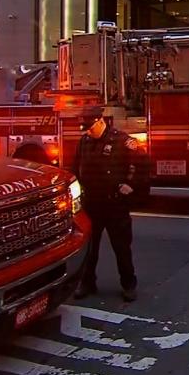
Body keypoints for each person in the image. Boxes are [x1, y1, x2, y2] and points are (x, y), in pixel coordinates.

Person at [72, 111, 148, 302]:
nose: (88, 132)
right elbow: (76, 168)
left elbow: (142, 163)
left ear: (100, 121)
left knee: (121, 248)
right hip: (91, 204)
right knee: (89, 248)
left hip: (114, 205)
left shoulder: (121, 140)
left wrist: (131, 185)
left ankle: (128, 284)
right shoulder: (84, 142)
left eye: (90, 128)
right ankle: (87, 282)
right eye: (85, 129)